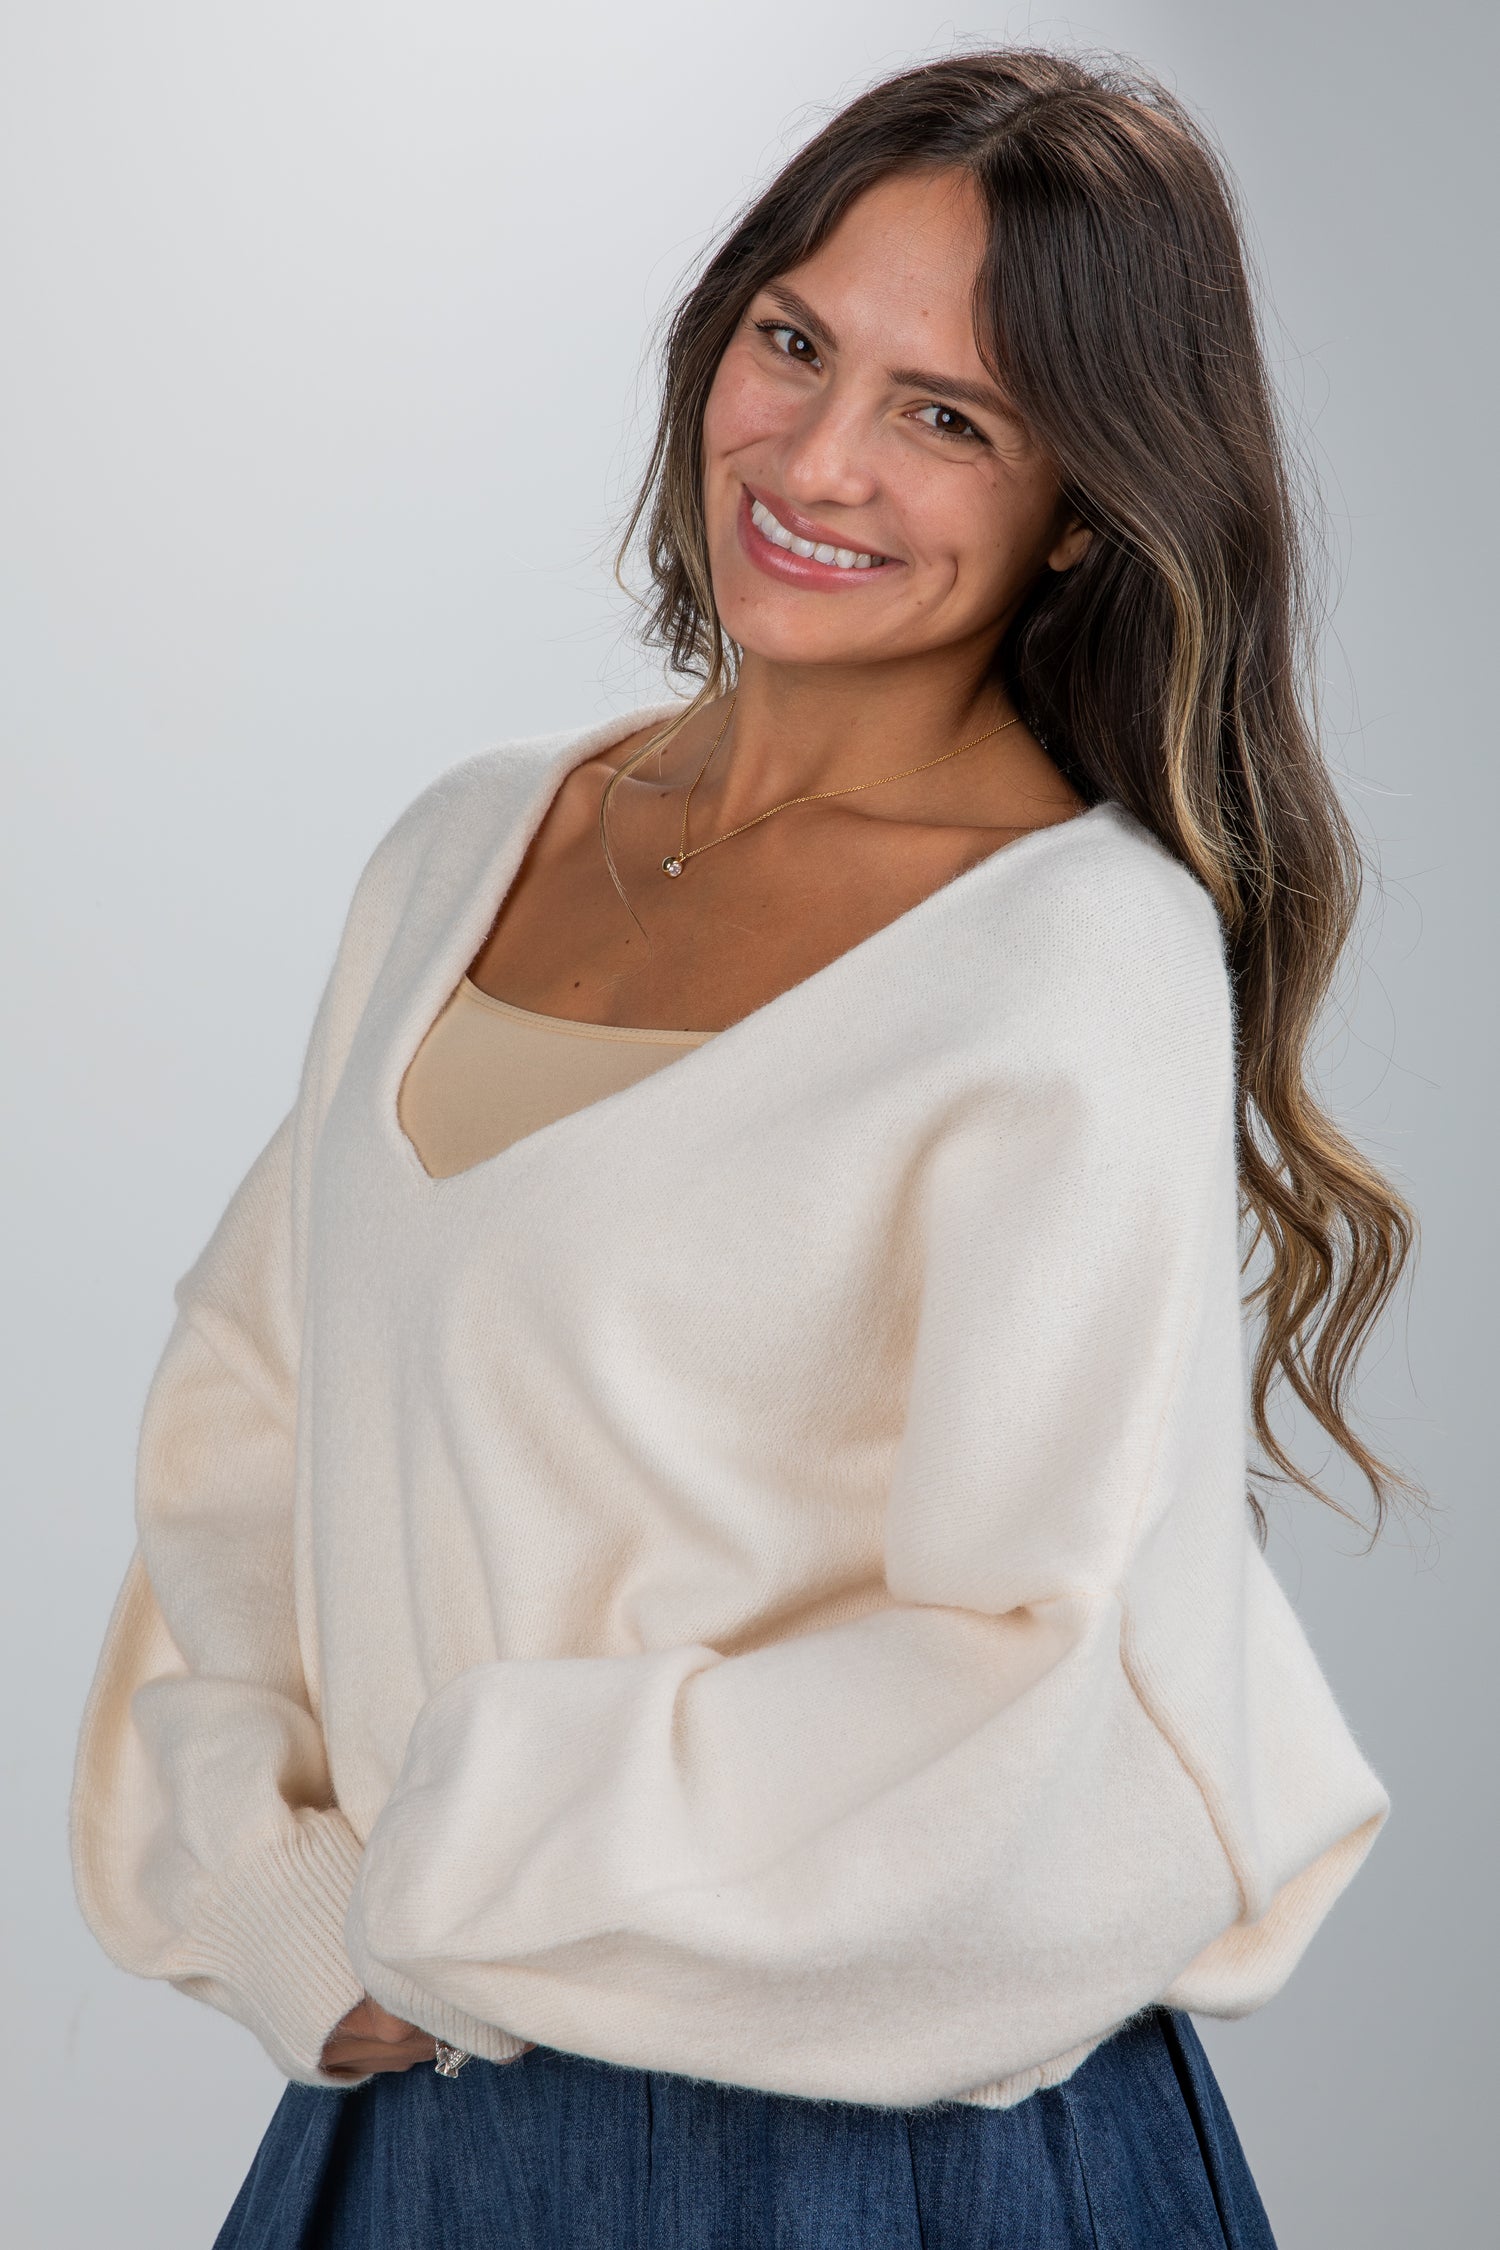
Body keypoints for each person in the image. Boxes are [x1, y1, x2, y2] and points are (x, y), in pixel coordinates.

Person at [69, 47, 1417, 2250]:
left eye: (947, 414)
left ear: (1080, 501)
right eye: (797, 341)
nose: (817, 457)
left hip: (885, 2163)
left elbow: (1022, 1682)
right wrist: (287, 1901)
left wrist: (461, 1864)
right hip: (417, 2117)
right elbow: (248, 1429)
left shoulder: (1074, 964)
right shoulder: (462, 848)